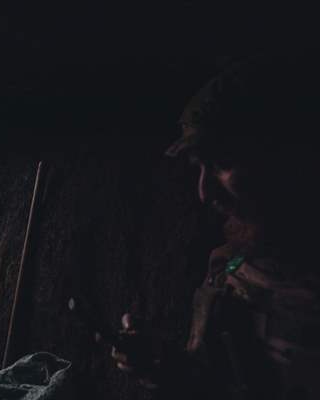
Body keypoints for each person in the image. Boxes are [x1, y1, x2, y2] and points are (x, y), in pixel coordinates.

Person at [111, 55, 320, 399]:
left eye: (222, 162)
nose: (204, 192)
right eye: (199, 167)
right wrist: (165, 365)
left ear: (282, 157)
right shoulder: (232, 266)